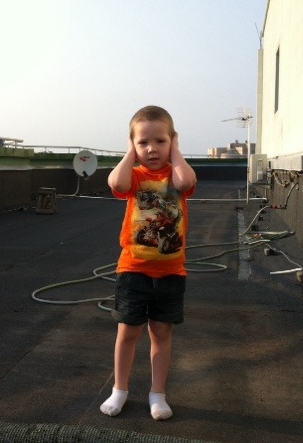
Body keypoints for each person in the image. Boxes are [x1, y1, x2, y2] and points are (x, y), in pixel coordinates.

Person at [100, 105, 197, 420]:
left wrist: (176, 151)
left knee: (161, 333)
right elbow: (116, 184)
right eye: (143, 142)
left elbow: (185, 183)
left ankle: (158, 393)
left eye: (160, 141)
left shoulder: (175, 174)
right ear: (133, 145)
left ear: (172, 141)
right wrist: (131, 152)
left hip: (171, 273)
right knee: (127, 332)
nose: (152, 149)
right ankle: (120, 389)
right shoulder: (136, 177)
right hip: (133, 270)